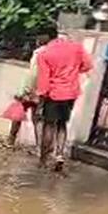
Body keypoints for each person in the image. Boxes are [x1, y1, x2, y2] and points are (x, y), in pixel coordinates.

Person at [35, 32, 93, 171]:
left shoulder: (44, 54)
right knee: (62, 124)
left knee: (49, 125)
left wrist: (41, 101)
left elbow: (43, 81)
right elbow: (87, 65)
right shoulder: (77, 48)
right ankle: (59, 155)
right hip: (71, 93)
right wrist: (73, 71)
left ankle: (43, 159)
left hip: (54, 94)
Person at [0, 46, 43, 150]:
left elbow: (33, 74)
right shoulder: (53, 53)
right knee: (37, 119)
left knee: (18, 114)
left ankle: (11, 140)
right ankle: (40, 147)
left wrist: (23, 91)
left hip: (30, 90)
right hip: (42, 90)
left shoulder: (39, 53)